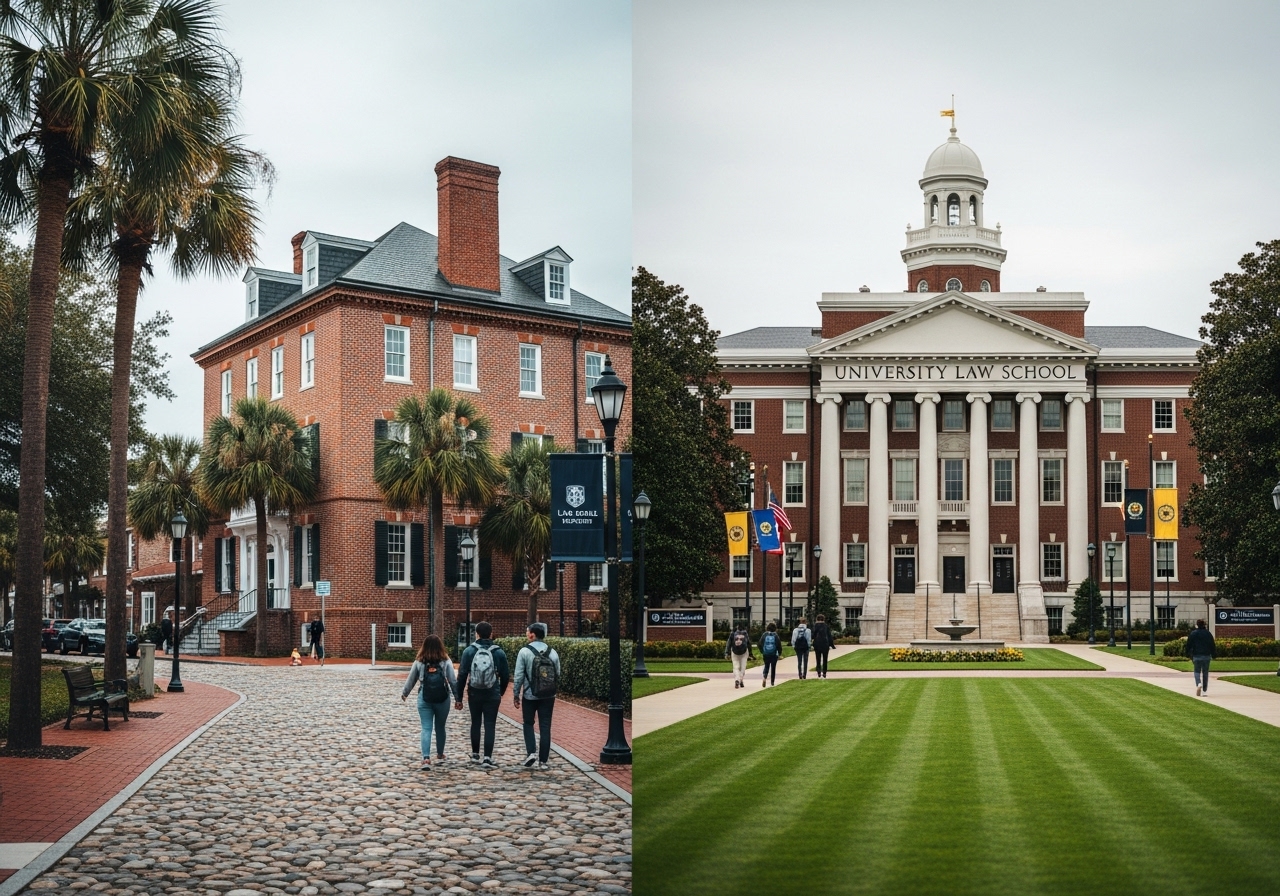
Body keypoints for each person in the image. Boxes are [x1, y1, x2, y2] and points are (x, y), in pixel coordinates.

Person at [455, 621, 510, 767]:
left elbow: (461, 675)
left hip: (474, 692)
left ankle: (475, 755)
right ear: (491, 634)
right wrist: (501, 692)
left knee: (475, 723)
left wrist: (458, 697)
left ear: (476, 634)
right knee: (490, 724)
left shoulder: (469, 651)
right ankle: (487, 757)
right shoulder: (498, 652)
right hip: (492, 692)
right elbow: (505, 675)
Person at [401, 634, 458, 770]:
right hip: (443, 698)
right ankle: (440, 753)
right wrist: (457, 698)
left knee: (426, 728)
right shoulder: (445, 660)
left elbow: (411, 679)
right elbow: (452, 680)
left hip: (424, 697)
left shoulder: (420, 661)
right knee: (440, 726)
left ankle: (426, 758)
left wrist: (405, 693)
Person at [513, 622, 561, 769]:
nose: (527, 634)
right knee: (545, 726)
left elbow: (518, 676)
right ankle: (543, 761)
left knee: (528, 723)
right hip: (548, 695)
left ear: (532, 634)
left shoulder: (524, 652)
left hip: (530, 694)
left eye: (527, 632)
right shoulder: (552, 652)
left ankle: (531, 752)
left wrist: (516, 694)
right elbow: (557, 674)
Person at [1187, 618, 1216, 697]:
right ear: (1204, 625)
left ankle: (1198, 683)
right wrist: (1213, 654)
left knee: (1197, 671)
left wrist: (1188, 654)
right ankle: (1204, 691)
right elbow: (1212, 645)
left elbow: (1189, 645)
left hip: (1196, 655)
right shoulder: (1208, 634)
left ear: (1197, 625)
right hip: (1206, 656)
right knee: (1205, 673)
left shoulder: (1193, 633)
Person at [725, 623, 753, 688]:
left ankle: (737, 679)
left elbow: (729, 643)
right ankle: (741, 680)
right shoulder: (745, 633)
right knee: (743, 667)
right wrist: (751, 654)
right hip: (744, 652)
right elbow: (748, 643)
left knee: (736, 667)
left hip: (734, 652)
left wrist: (727, 653)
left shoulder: (733, 633)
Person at [759, 622, 782, 687]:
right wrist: (779, 653)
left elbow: (760, 644)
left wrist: (762, 651)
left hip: (766, 653)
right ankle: (772, 682)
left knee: (766, 666)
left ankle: (764, 677)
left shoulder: (764, 634)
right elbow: (779, 645)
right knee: (773, 668)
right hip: (774, 654)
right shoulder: (775, 635)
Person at [811, 614, 834, 679]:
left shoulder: (815, 626)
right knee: (825, 659)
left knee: (818, 658)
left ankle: (818, 672)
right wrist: (831, 645)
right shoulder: (826, 626)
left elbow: (813, 635)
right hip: (825, 644)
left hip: (817, 644)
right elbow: (829, 636)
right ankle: (824, 672)